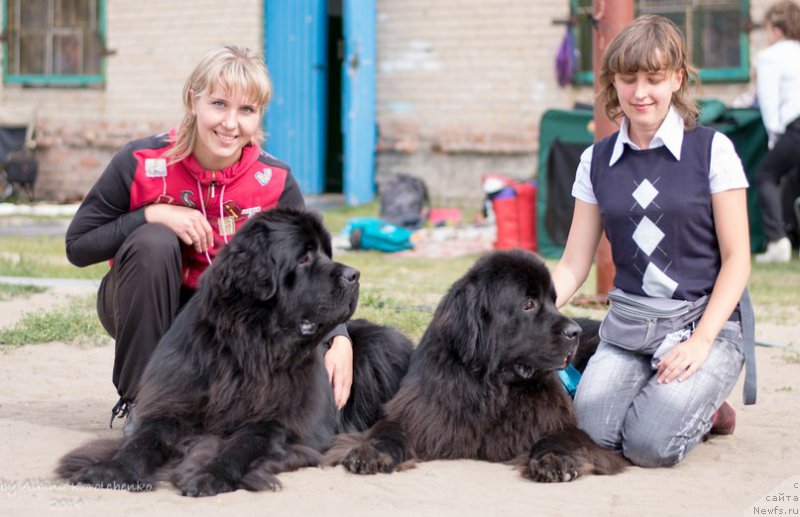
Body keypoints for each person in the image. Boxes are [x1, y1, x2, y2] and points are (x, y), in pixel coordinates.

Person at [65, 45, 354, 434]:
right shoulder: (141, 162)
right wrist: (151, 214)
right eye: (219, 104)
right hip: (147, 304)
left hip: (224, 319)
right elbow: (78, 245)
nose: (230, 123)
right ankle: (142, 404)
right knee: (153, 241)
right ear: (193, 100)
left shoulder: (275, 181)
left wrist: (338, 337)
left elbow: (312, 267)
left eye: (246, 110)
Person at [551, 15, 754, 468]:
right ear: (613, 82)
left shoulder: (712, 150)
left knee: (648, 447)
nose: (640, 92)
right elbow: (573, 264)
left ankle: (706, 407)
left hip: (705, 323)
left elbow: (738, 258)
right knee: (593, 435)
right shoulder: (595, 160)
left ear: (677, 79)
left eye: (654, 79)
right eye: (629, 79)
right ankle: (674, 396)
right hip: (632, 324)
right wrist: (532, 311)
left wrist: (701, 342)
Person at [753, 0, 800, 263]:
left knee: (766, 175)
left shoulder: (770, 56)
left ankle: (777, 241)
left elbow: (769, 102)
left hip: (795, 127)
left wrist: (773, 137)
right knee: (793, 179)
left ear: (775, 29)